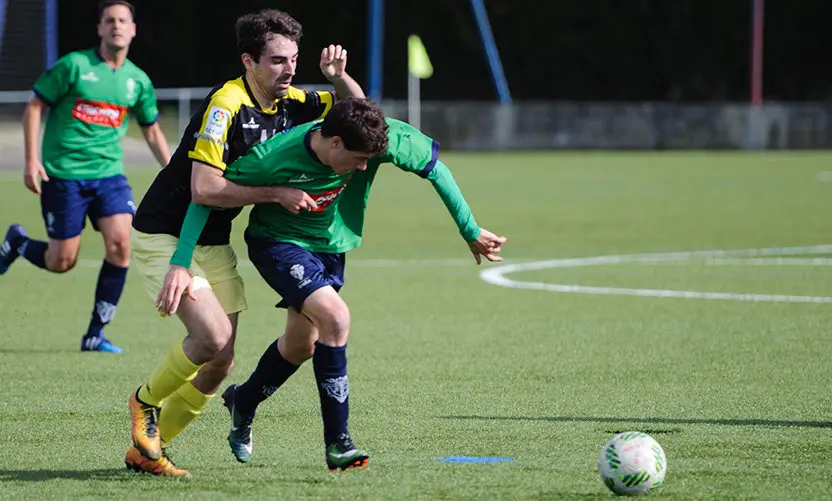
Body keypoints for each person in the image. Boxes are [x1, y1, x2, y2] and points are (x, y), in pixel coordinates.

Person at [157, 97, 507, 471]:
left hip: (330, 247)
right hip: (279, 243)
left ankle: (243, 401)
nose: (364, 167)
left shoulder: (374, 138)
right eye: (358, 159)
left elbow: (436, 169)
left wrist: (470, 229)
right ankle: (339, 443)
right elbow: (208, 195)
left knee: (301, 345)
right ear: (335, 142)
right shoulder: (272, 157)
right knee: (336, 318)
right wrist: (180, 262)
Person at [124, 8, 365, 478]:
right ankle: (144, 402)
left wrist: (338, 77)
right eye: (277, 60)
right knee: (210, 336)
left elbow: (359, 117)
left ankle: (148, 452)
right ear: (248, 61)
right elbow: (204, 189)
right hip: (165, 232)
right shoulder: (226, 105)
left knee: (221, 362)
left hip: (213, 240)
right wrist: (276, 193)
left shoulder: (291, 100)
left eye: (293, 59)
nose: (289, 69)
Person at [0, 0, 171, 354]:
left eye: (123, 20)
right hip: (64, 176)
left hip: (109, 176)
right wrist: (31, 160)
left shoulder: (137, 81)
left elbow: (152, 130)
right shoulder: (74, 66)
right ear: (99, 28)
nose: (116, 25)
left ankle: (95, 334)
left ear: (133, 29)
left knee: (121, 244)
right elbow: (35, 106)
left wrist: (173, 173)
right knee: (62, 261)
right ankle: (17, 243)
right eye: (109, 20)